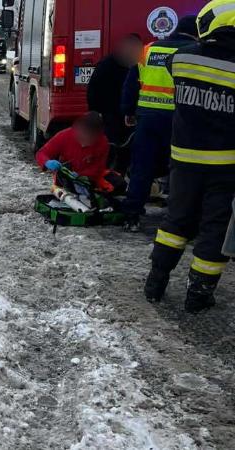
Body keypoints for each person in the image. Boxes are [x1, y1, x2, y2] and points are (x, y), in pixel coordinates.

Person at [144, 1, 235, 313]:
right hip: (225, 165)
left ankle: (156, 280)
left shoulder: (182, 59)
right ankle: (198, 294)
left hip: (183, 160)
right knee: (215, 228)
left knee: (175, 222)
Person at [120, 16, 199, 232]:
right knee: (181, 170)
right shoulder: (194, 52)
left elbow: (131, 83)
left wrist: (128, 110)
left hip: (148, 118)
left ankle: (131, 215)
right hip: (180, 120)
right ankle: (178, 219)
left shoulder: (148, 49)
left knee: (142, 167)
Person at [87, 33, 143, 166]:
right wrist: (95, 111)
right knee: (110, 149)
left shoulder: (138, 66)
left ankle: (118, 177)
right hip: (109, 115)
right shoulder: (107, 64)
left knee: (126, 150)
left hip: (127, 116)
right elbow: (93, 89)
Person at [35, 112, 123, 195]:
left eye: (92, 136)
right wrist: (47, 162)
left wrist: (82, 176)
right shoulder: (64, 136)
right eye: (86, 133)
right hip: (66, 177)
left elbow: (98, 167)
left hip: (90, 177)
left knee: (117, 182)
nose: (87, 138)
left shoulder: (103, 142)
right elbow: (41, 153)